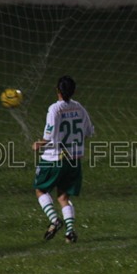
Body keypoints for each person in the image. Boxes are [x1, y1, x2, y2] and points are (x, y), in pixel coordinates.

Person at [32, 76, 94, 243]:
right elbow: (88, 132)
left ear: (57, 91)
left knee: (41, 190)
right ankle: (70, 231)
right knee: (63, 197)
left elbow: (49, 135)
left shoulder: (55, 109)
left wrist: (39, 144)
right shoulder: (79, 108)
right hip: (74, 160)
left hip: (54, 158)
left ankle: (54, 220)